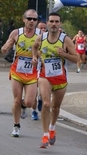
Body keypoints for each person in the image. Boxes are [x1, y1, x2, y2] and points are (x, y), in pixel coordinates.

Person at [32, 12, 77, 148]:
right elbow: (34, 47)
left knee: (55, 107)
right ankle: (45, 135)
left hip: (61, 78)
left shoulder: (65, 40)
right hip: (45, 76)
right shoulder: (41, 38)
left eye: (56, 22)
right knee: (46, 104)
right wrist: (35, 57)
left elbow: (76, 59)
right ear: (47, 24)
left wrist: (64, 54)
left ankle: (52, 128)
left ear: (60, 24)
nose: (54, 24)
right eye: (51, 21)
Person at [1, 9, 41, 137]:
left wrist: (37, 56)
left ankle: (24, 107)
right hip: (17, 71)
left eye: (34, 19)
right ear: (24, 19)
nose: (31, 21)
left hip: (32, 72)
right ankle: (16, 126)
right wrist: (5, 48)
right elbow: (6, 45)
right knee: (17, 100)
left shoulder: (41, 35)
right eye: (29, 18)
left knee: (29, 102)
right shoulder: (16, 33)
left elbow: (45, 51)